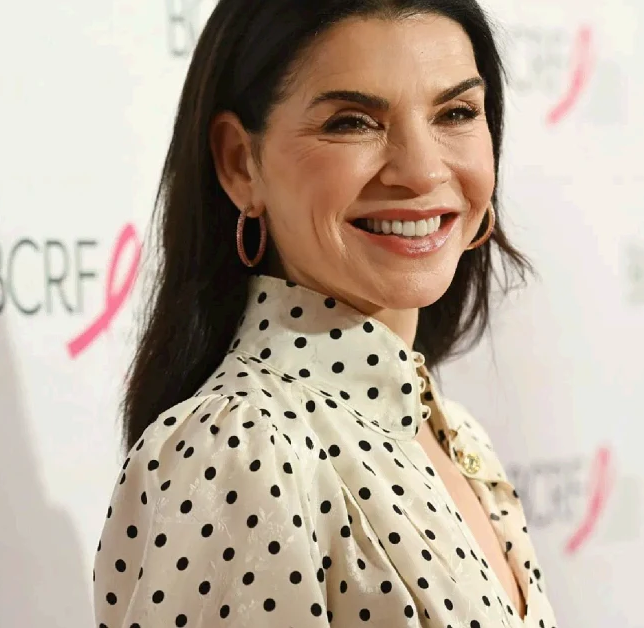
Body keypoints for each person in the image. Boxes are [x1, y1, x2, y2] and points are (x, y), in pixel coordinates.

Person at [94, 1, 559, 626]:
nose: (422, 170)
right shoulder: (242, 449)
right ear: (240, 163)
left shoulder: (454, 433)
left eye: (455, 113)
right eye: (353, 122)